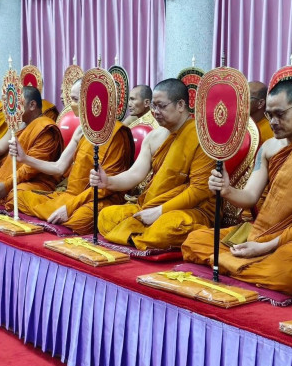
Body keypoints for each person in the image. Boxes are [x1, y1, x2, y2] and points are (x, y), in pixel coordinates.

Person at [181, 79, 292, 293]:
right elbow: (250, 196)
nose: (273, 122)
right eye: (269, 115)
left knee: (288, 272)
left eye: (280, 114)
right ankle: (240, 262)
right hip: (265, 229)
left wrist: (265, 246)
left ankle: (230, 262)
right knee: (195, 241)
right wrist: (227, 190)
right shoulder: (269, 147)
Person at [91, 78, 214, 250]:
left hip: (191, 210)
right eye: (153, 106)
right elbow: (135, 174)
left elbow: (199, 190)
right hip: (150, 206)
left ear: (180, 105)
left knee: (166, 228)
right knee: (106, 216)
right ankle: (139, 236)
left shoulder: (202, 138)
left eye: (161, 106)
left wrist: (160, 211)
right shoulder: (154, 137)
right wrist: (109, 181)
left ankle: (135, 234)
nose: (155, 112)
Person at [12, 79, 134, 233]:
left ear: (92, 101)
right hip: (71, 195)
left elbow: (106, 188)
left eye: (75, 100)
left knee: (80, 220)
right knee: (18, 197)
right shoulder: (81, 130)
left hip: (98, 198)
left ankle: (61, 215)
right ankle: (59, 214)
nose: (71, 105)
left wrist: (70, 207)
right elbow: (59, 167)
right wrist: (25, 158)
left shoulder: (116, 134)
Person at [0, 86, 63, 205]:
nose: (12, 110)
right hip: (15, 175)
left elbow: (31, 169)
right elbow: (1, 150)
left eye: (17, 105)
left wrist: (7, 184)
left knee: (17, 195)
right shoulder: (21, 125)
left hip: (36, 180)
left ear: (32, 105)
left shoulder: (45, 130)